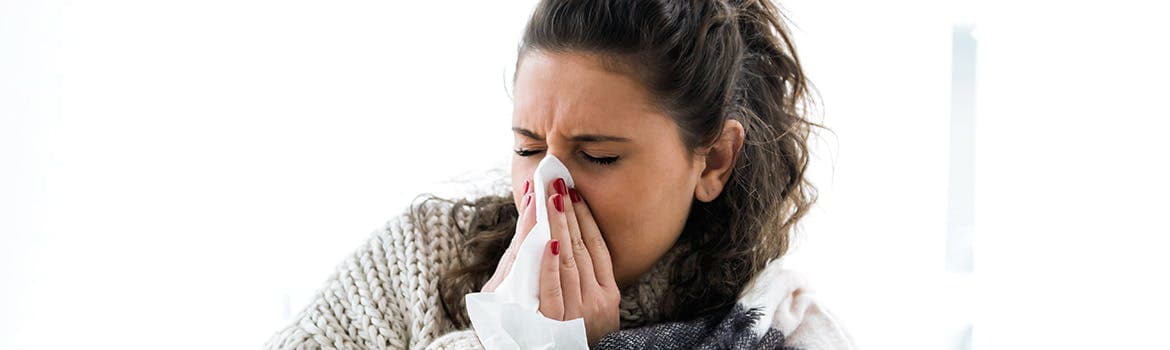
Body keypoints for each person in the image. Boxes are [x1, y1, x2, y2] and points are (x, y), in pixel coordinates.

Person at [267, 0, 855, 348]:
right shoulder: (416, 262)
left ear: (715, 160)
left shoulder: (777, 328)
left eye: (598, 156)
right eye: (527, 147)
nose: (546, 189)